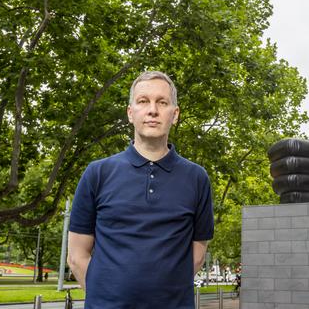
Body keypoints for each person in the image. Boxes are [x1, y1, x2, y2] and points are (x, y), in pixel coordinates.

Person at [67, 71, 214, 309]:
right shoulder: (97, 173)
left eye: (162, 102)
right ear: (130, 113)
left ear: (174, 114)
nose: (153, 110)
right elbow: (76, 256)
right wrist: (104, 300)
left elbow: (197, 255)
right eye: (143, 101)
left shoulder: (197, 178)